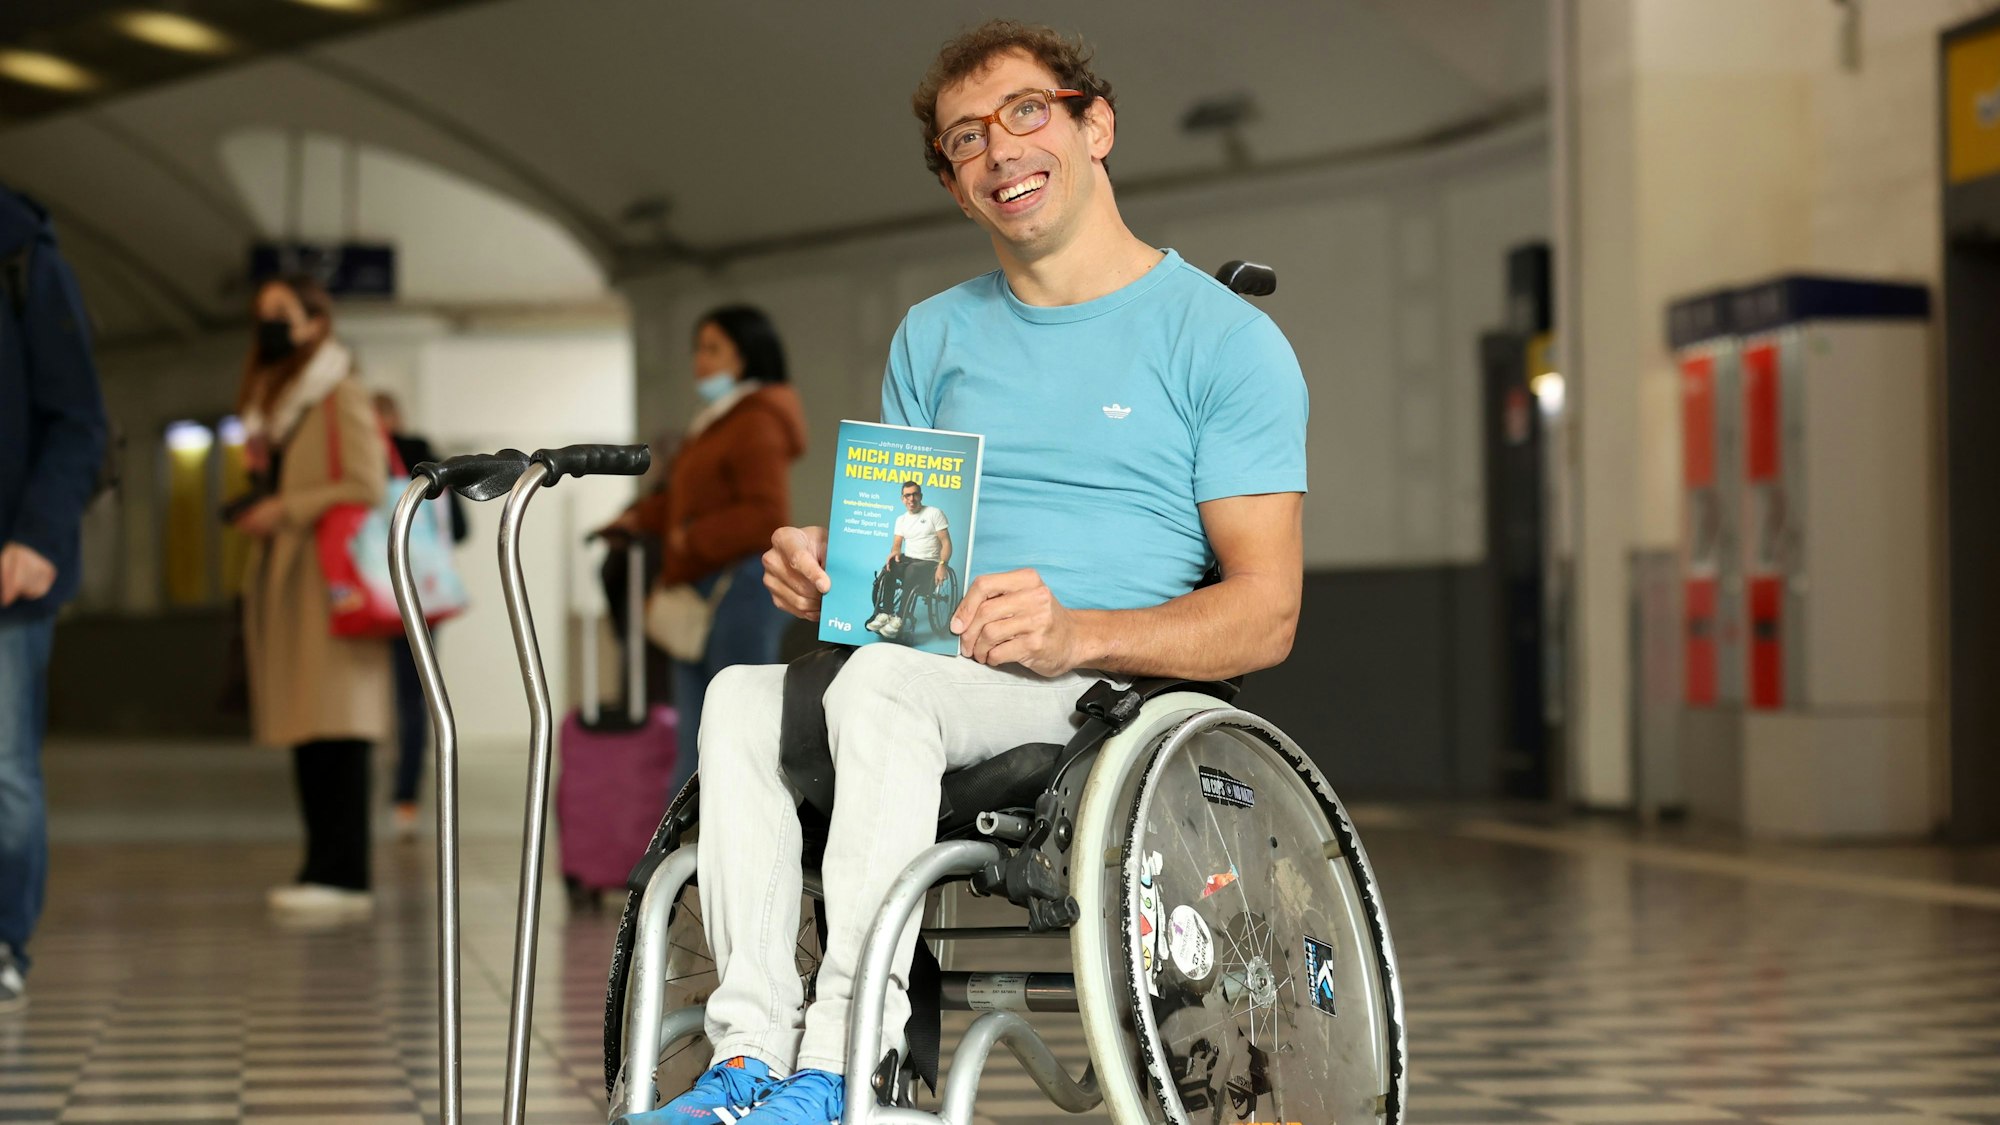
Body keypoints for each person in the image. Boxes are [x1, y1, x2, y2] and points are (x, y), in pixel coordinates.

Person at [621, 20, 1306, 1125]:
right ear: (954, 186)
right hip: (929, 672)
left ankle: (847, 1062)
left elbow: (1266, 613)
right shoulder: (932, 338)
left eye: (1025, 113)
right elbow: (906, 564)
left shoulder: (1217, 340)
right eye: (964, 141)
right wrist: (827, 570)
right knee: (744, 696)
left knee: (882, 687)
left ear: (1096, 125)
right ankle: (747, 1059)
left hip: (1100, 691)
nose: (998, 151)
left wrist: (1077, 630)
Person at [232, 274, 390, 920]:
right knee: (309, 724)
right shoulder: (283, 404)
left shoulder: (338, 392)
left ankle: (345, 872)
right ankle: (319, 865)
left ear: (316, 321)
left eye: (283, 312)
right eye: (261, 313)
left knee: (337, 725)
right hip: (295, 580)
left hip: (330, 583)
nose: (270, 324)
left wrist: (284, 508)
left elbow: (366, 481)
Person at [604, 306, 806, 797]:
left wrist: (687, 541)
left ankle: (723, 858)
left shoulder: (755, 421)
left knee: (732, 735)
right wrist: (638, 520)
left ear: (744, 356)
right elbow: (684, 501)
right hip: (703, 587)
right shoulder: (719, 420)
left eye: (712, 348)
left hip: (737, 591)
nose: (699, 360)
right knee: (695, 737)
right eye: (698, 348)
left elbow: (764, 515)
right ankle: (692, 861)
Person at [0, 185, 108, 1014]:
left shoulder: (25, 256)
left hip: (12, 567)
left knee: (6, 771)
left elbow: (78, 419)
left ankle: (6, 937)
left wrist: (37, 537)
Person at [371, 391, 467, 838]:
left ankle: (393, 790)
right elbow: (461, 529)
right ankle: (405, 797)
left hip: (368, 593)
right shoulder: (427, 459)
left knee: (387, 698)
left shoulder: (363, 461)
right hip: (420, 594)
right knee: (416, 698)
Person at [863, 480, 952, 640]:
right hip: (909, 560)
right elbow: (897, 545)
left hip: (929, 562)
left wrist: (942, 565)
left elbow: (946, 542)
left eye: (914, 494)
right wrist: (894, 553)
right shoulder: (901, 520)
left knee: (912, 570)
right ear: (902, 499)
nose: (911, 499)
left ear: (920, 496)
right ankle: (885, 613)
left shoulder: (934, 513)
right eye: (907, 495)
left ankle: (899, 618)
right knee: (889, 567)